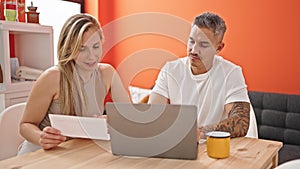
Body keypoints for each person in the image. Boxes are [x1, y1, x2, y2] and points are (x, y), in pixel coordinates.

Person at [18, 13, 131, 154]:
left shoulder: (107, 73)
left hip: (76, 152)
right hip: (42, 153)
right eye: (82, 49)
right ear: (69, 48)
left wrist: (113, 120)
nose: (91, 56)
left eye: (95, 46)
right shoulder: (53, 77)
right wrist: (41, 137)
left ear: (102, 42)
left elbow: (129, 116)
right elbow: (25, 125)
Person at [148, 12, 250, 140]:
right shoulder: (170, 69)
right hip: (181, 144)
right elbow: (153, 113)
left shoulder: (231, 73)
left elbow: (241, 123)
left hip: (213, 145)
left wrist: (200, 132)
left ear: (218, 48)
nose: (194, 50)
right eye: (191, 41)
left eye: (204, 45)